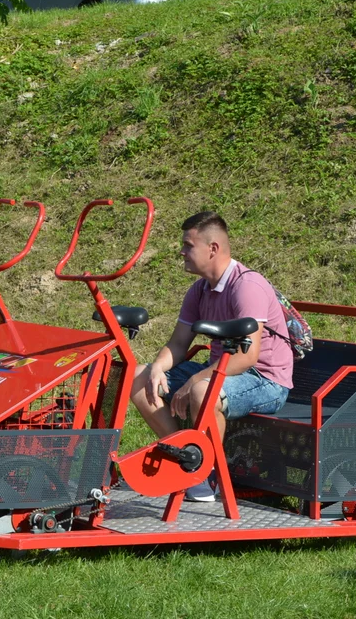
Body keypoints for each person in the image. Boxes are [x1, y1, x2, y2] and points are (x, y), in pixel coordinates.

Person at [130, 211, 292, 501]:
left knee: (204, 390)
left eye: (188, 245)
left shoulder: (247, 287)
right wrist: (157, 368)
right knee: (139, 378)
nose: (182, 251)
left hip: (265, 380)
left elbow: (248, 357)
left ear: (212, 248)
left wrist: (194, 380)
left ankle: (207, 475)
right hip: (223, 371)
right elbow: (179, 343)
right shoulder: (199, 290)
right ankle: (185, 460)